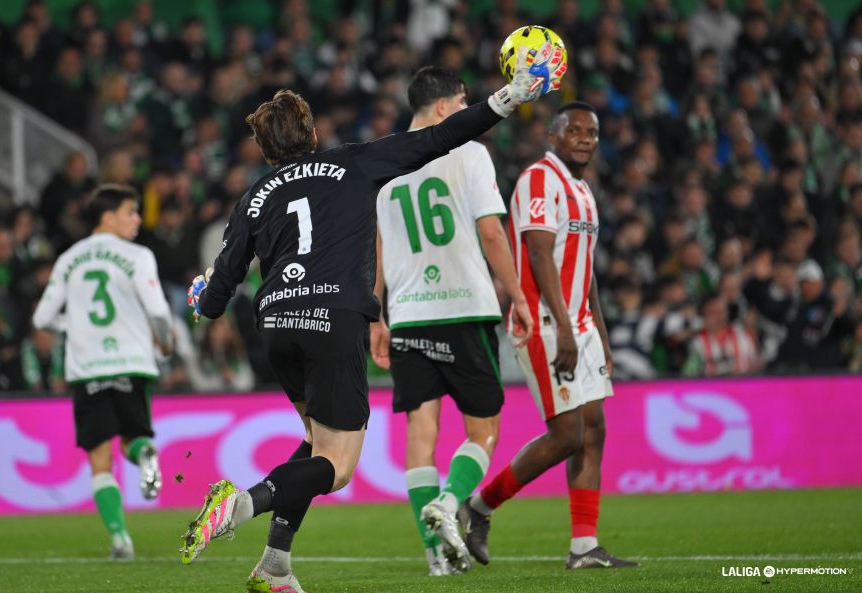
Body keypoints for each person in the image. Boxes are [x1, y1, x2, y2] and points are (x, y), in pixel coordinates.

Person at [180, 43, 566, 593]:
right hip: (333, 318)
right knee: (335, 468)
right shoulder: (351, 163)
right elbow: (440, 137)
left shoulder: (253, 198)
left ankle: (275, 566)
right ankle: (241, 504)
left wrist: (199, 297)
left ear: (266, 150)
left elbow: (216, 296)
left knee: (316, 444)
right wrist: (509, 97)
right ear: (311, 134)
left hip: (277, 327)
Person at [368, 66, 534, 576]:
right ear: (443, 107)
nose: (467, 113)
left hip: (408, 316)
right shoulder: (470, 153)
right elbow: (491, 234)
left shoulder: (383, 161)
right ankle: (447, 501)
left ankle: (434, 554)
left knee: (422, 432)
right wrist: (518, 295)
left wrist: (376, 316)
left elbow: (374, 247)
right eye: (463, 104)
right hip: (463, 307)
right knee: (483, 430)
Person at [459, 102, 637, 569]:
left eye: (592, 132)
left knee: (593, 429)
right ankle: (479, 507)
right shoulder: (540, 179)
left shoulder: (582, 190)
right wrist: (564, 329)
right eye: (574, 130)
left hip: (579, 325)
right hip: (542, 322)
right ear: (553, 136)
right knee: (567, 435)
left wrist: (598, 330)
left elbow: (586, 269)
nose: (585, 138)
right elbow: (539, 256)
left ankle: (584, 547)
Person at [33, 183, 173, 560]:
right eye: (131, 211)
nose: (138, 220)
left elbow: (42, 317)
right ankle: (145, 454)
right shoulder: (139, 255)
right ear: (107, 216)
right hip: (132, 361)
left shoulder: (68, 259)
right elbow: (158, 311)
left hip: (87, 367)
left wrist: (74, 325)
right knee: (132, 439)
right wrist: (166, 341)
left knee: (99, 458)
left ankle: (119, 538)